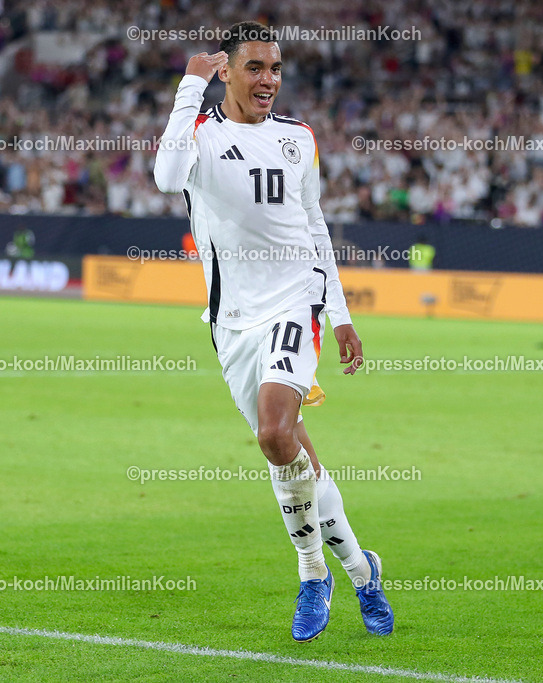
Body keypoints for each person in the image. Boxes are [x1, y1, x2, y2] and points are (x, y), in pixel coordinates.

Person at [153, 21, 393, 642]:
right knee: (292, 453)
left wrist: (339, 313)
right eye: (255, 68)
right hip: (231, 320)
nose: (268, 80)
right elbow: (166, 177)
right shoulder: (200, 135)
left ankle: (312, 573)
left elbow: (314, 225)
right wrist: (188, 88)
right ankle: (362, 569)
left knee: (274, 431)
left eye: (276, 69)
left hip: (293, 301)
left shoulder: (298, 138)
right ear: (226, 72)